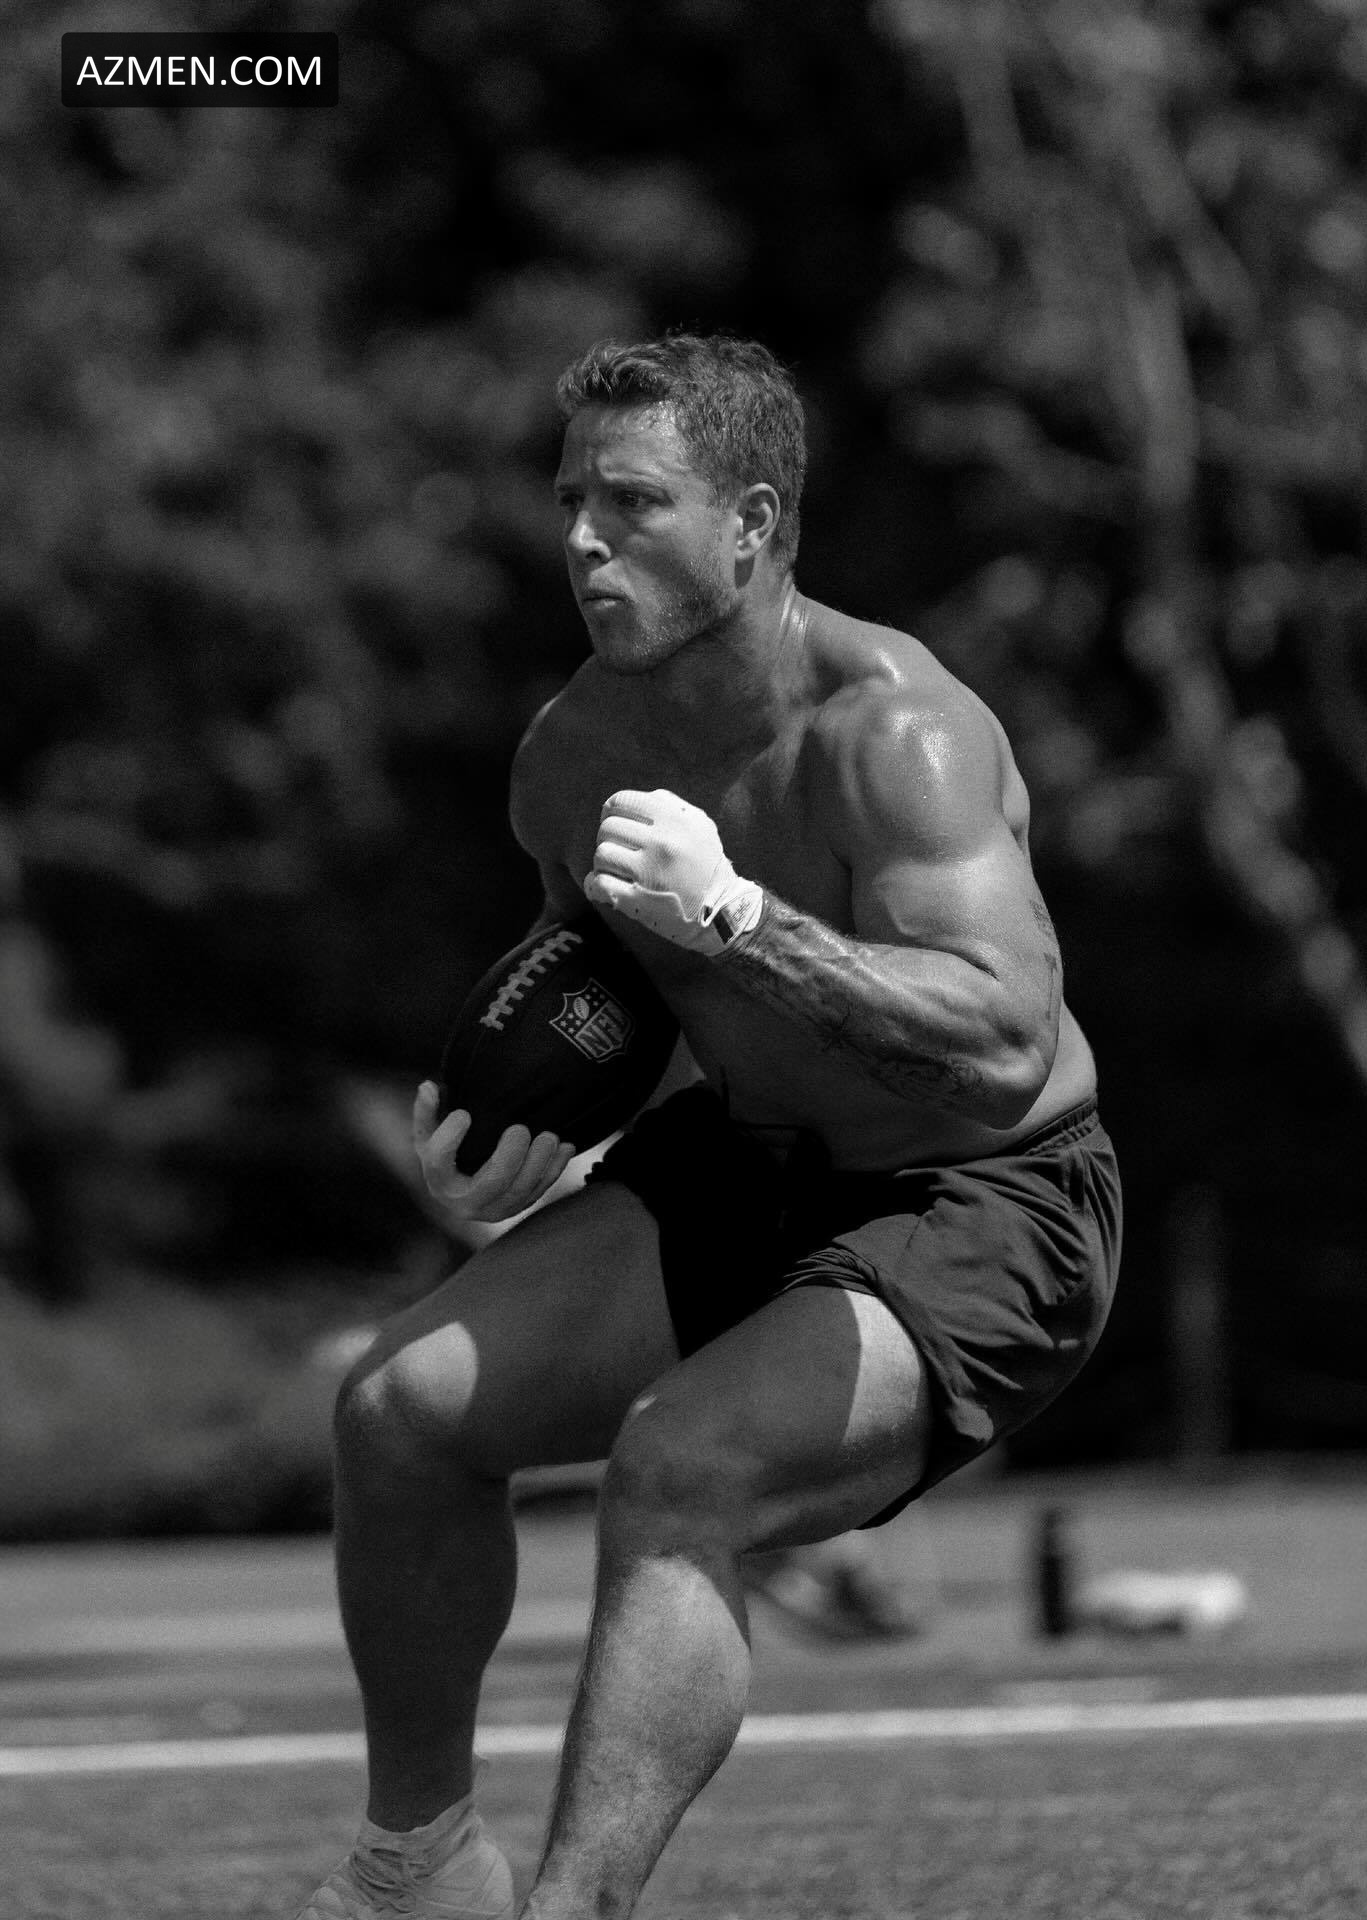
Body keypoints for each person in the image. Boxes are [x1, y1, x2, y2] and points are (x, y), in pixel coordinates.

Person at [292, 332, 1120, 1920]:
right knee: (398, 1414)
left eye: (633, 501)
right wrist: (520, 1144)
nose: (583, 539)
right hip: (752, 1162)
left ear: (751, 522)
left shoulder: (899, 735)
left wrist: (740, 915)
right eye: (569, 501)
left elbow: (1002, 1044)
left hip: (987, 1198)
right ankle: (419, 1870)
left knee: (681, 1470)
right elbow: (608, 1001)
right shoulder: (570, 760)